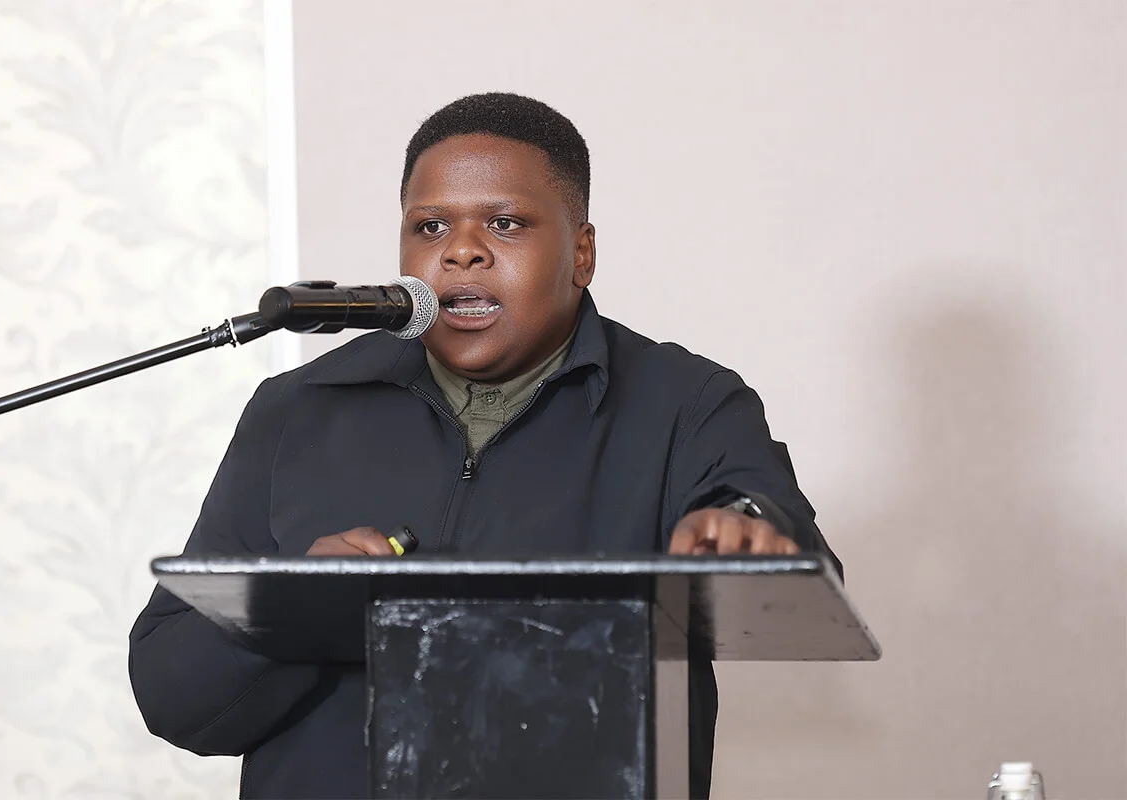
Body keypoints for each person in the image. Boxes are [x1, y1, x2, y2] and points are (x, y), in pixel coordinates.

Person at [128, 92, 840, 799]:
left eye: (505, 223)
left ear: (582, 253)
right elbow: (172, 696)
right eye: (431, 226)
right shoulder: (297, 407)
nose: (461, 250)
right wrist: (295, 606)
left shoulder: (686, 403)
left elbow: (771, 532)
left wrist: (744, 528)